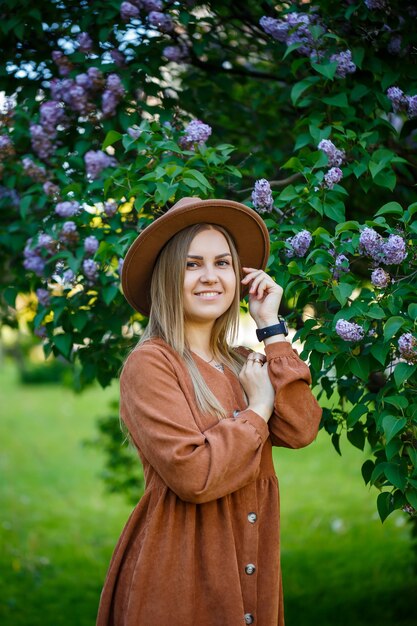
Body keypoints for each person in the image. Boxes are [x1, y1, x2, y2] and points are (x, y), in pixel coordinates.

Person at [96, 196, 322, 626]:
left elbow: (302, 427)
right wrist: (256, 409)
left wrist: (271, 330)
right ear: (167, 277)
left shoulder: (244, 362)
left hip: (252, 569)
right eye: (192, 264)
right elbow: (194, 476)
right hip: (181, 575)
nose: (210, 277)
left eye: (222, 263)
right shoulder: (151, 363)